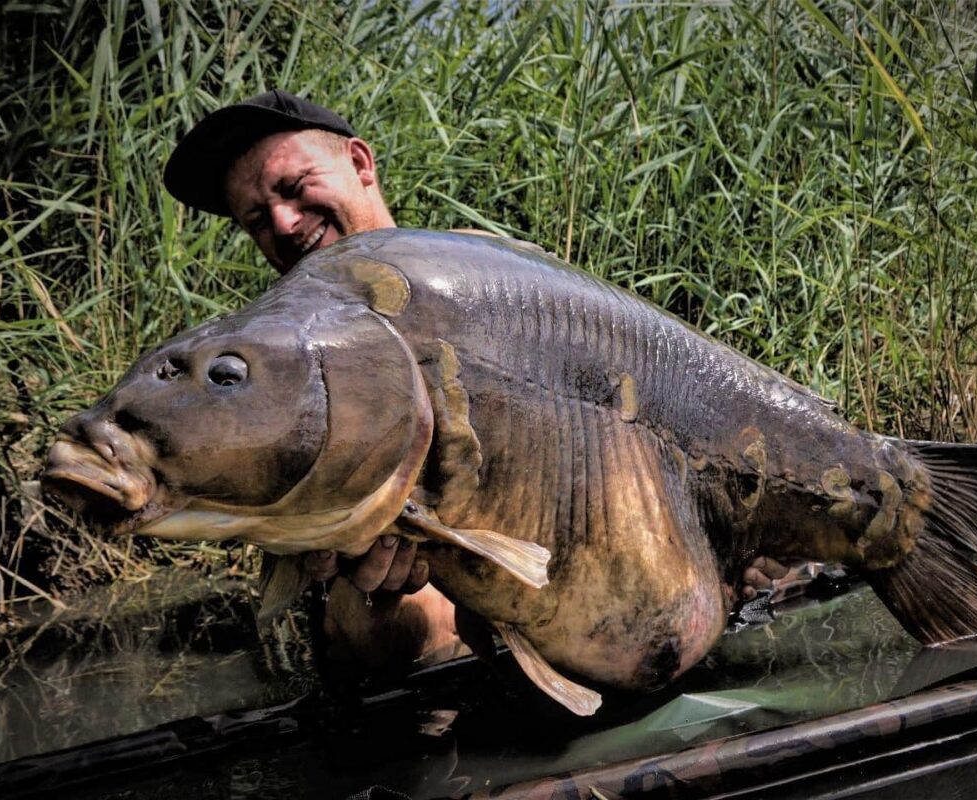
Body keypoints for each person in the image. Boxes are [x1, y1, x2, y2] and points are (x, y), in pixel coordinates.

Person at [164, 89, 806, 673]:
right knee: (363, 616)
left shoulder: (489, 278)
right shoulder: (288, 365)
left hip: (615, 581)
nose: (282, 223)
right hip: (454, 647)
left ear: (360, 164)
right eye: (255, 217)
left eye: (296, 185)